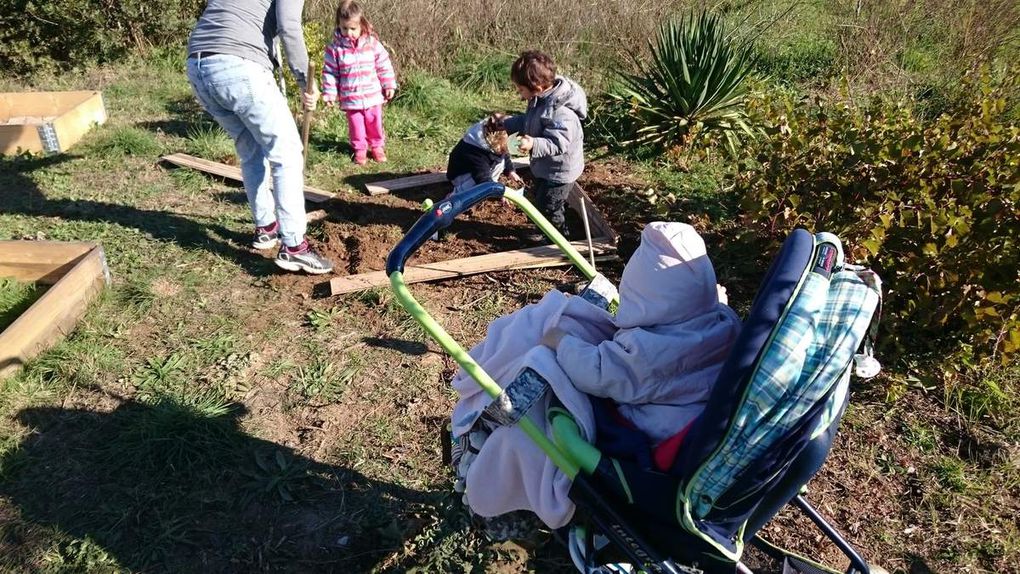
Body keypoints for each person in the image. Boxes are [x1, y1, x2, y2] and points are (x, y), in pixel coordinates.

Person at [450, 222, 740, 530]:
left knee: (545, 371)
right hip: (694, 423)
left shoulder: (649, 353)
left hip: (646, 439)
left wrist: (561, 342)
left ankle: (488, 451)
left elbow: (597, 372)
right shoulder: (724, 323)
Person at [186, 0, 334, 275]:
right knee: (287, 151)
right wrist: (306, 82)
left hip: (198, 65)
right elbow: (289, 26)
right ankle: (294, 247)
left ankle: (266, 228)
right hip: (238, 66)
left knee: (251, 150)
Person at [503, 51, 587, 238]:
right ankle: (543, 228)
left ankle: (557, 238)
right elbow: (531, 120)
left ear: (538, 87)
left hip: (560, 171)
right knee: (541, 198)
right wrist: (507, 123)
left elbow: (558, 143)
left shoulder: (562, 113)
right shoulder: (540, 100)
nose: (519, 95)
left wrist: (533, 143)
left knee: (550, 207)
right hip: (546, 166)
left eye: (520, 90)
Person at [321, 0, 397, 165]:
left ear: (362, 24)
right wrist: (329, 93)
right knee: (356, 126)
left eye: (353, 29)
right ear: (339, 26)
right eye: (344, 28)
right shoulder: (335, 49)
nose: (349, 33)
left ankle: (377, 146)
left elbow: (383, 64)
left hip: (372, 95)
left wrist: (389, 84)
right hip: (351, 98)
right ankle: (360, 149)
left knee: (374, 122)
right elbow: (330, 72)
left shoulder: (372, 44)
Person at [446, 113, 524, 194]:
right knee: (473, 186)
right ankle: (455, 194)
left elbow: (505, 156)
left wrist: (511, 171)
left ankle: (491, 184)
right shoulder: (476, 153)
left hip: (482, 168)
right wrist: (498, 195)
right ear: (495, 143)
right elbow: (482, 178)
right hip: (463, 175)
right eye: (503, 149)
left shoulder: (496, 145)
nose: (505, 152)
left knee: (501, 162)